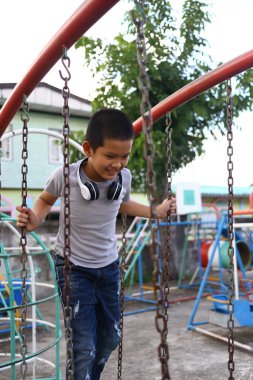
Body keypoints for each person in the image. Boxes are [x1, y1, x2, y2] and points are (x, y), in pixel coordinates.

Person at [16, 108, 176, 380]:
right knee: (84, 346)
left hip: (108, 268)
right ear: (89, 149)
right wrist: (35, 219)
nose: (118, 164)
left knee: (111, 338)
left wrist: (156, 211)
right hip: (73, 269)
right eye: (110, 156)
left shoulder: (123, 178)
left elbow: (122, 203)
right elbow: (44, 200)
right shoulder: (65, 176)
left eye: (124, 156)